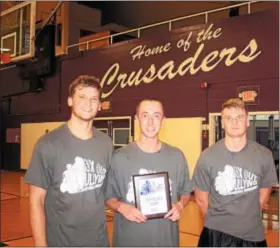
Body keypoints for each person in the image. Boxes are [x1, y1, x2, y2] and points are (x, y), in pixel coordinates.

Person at [24, 75, 113, 247]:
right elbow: (36, 201)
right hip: (61, 242)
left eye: (94, 99)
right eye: (82, 97)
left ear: (99, 105)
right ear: (70, 100)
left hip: (98, 242)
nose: (88, 103)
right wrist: (40, 245)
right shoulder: (48, 144)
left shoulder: (106, 143)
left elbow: (108, 193)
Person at [105, 99, 193, 247]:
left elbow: (186, 192)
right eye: (145, 115)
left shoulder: (177, 156)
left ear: (163, 121)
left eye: (156, 116)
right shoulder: (119, 157)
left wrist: (180, 206)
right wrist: (121, 207)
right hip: (129, 241)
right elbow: (108, 197)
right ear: (137, 119)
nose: (151, 122)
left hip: (166, 241)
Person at [193, 98, 278, 247]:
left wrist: (245, 219)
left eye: (239, 117)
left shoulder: (264, 155)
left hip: (253, 234)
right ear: (223, 123)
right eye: (229, 118)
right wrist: (222, 221)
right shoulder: (207, 155)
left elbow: (264, 194)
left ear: (247, 121)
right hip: (215, 234)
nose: (235, 122)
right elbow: (201, 199)